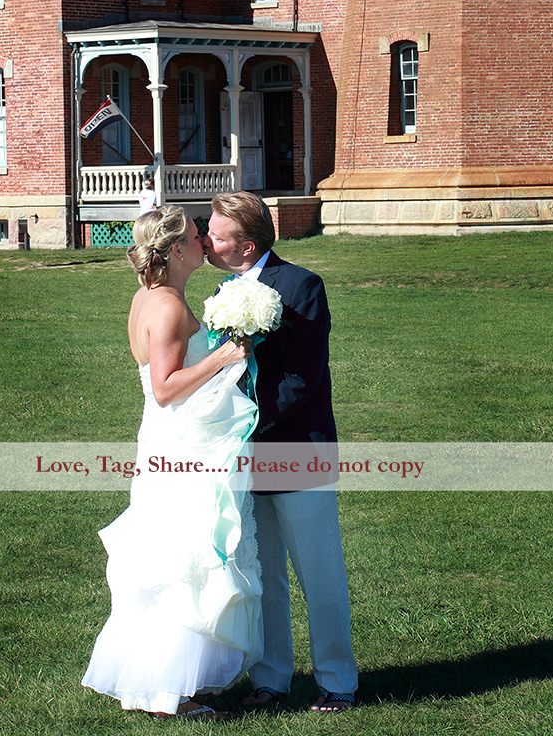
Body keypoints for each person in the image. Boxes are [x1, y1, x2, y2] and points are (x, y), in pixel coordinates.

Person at [82, 205, 262, 719]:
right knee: (185, 556)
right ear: (177, 250)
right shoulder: (164, 306)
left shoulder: (155, 296)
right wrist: (223, 358)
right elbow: (164, 390)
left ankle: (176, 681)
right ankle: (167, 691)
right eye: (195, 233)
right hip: (178, 444)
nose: (205, 237)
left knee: (180, 549)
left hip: (176, 439)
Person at [205, 191, 358, 713]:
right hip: (245, 456)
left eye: (215, 233)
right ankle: (271, 679)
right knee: (264, 573)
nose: (205, 240)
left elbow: (303, 378)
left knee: (320, 575)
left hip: (297, 449)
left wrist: (250, 423)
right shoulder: (224, 290)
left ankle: (337, 683)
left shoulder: (301, 286)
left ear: (247, 247)